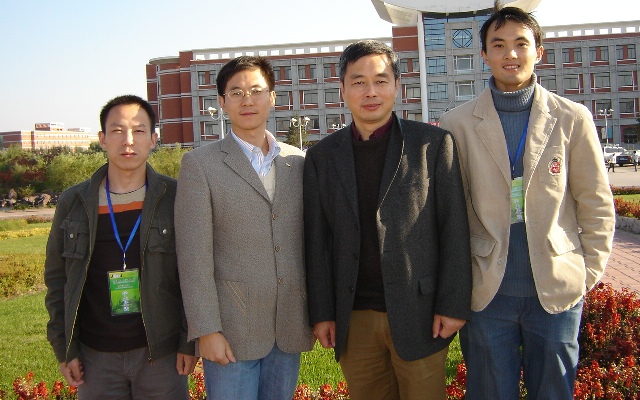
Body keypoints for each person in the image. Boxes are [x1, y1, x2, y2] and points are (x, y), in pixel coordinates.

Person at [439, 1, 615, 399]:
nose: (511, 54)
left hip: (556, 291)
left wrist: (585, 274)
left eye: (521, 43)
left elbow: (596, 204)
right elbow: (451, 214)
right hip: (488, 293)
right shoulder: (457, 124)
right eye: (498, 45)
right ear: (484, 54)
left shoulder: (572, 118)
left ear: (539, 52)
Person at [304, 40, 471, 400]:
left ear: (397, 86)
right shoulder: (322, 157)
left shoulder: (432, 144)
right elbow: (317, 242)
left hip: (420, 311)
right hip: (354, 317)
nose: (370, 92)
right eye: (358, 82)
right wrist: (321, 312)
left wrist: (453, 303)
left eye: (380, 81)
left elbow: (454, 228)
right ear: (342, 90)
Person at [174, 56, 314, 400]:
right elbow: (194, 258)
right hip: (231, 331)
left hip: (288, 325)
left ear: (273, 97)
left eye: (256, 90)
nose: (247, 100)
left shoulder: (298, 161)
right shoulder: (200, 165)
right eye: (236, 92)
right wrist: (206, 330)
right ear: (222, 103)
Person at [44, 95, 197, 399]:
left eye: (139, 130)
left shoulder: (175, 197)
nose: (128, 140)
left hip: (161, 356)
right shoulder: (74, 202)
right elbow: (57, 279)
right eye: (117, 130)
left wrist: (187, 342)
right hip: (95, 358)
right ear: (102, 139)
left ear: (153, 139)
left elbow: (193, 273)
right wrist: (64, 347)